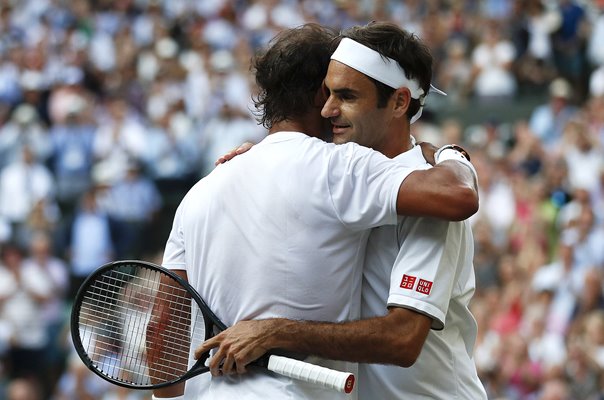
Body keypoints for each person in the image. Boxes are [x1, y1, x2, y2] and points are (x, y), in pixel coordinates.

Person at [153, 23, 478, 400]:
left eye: (346, 95)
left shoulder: (424, 195)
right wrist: (259, 161)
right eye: (327, 93)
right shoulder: (334, 174)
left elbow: (403, 339)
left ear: (399, 103)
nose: (329, 109)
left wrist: (450, 154)